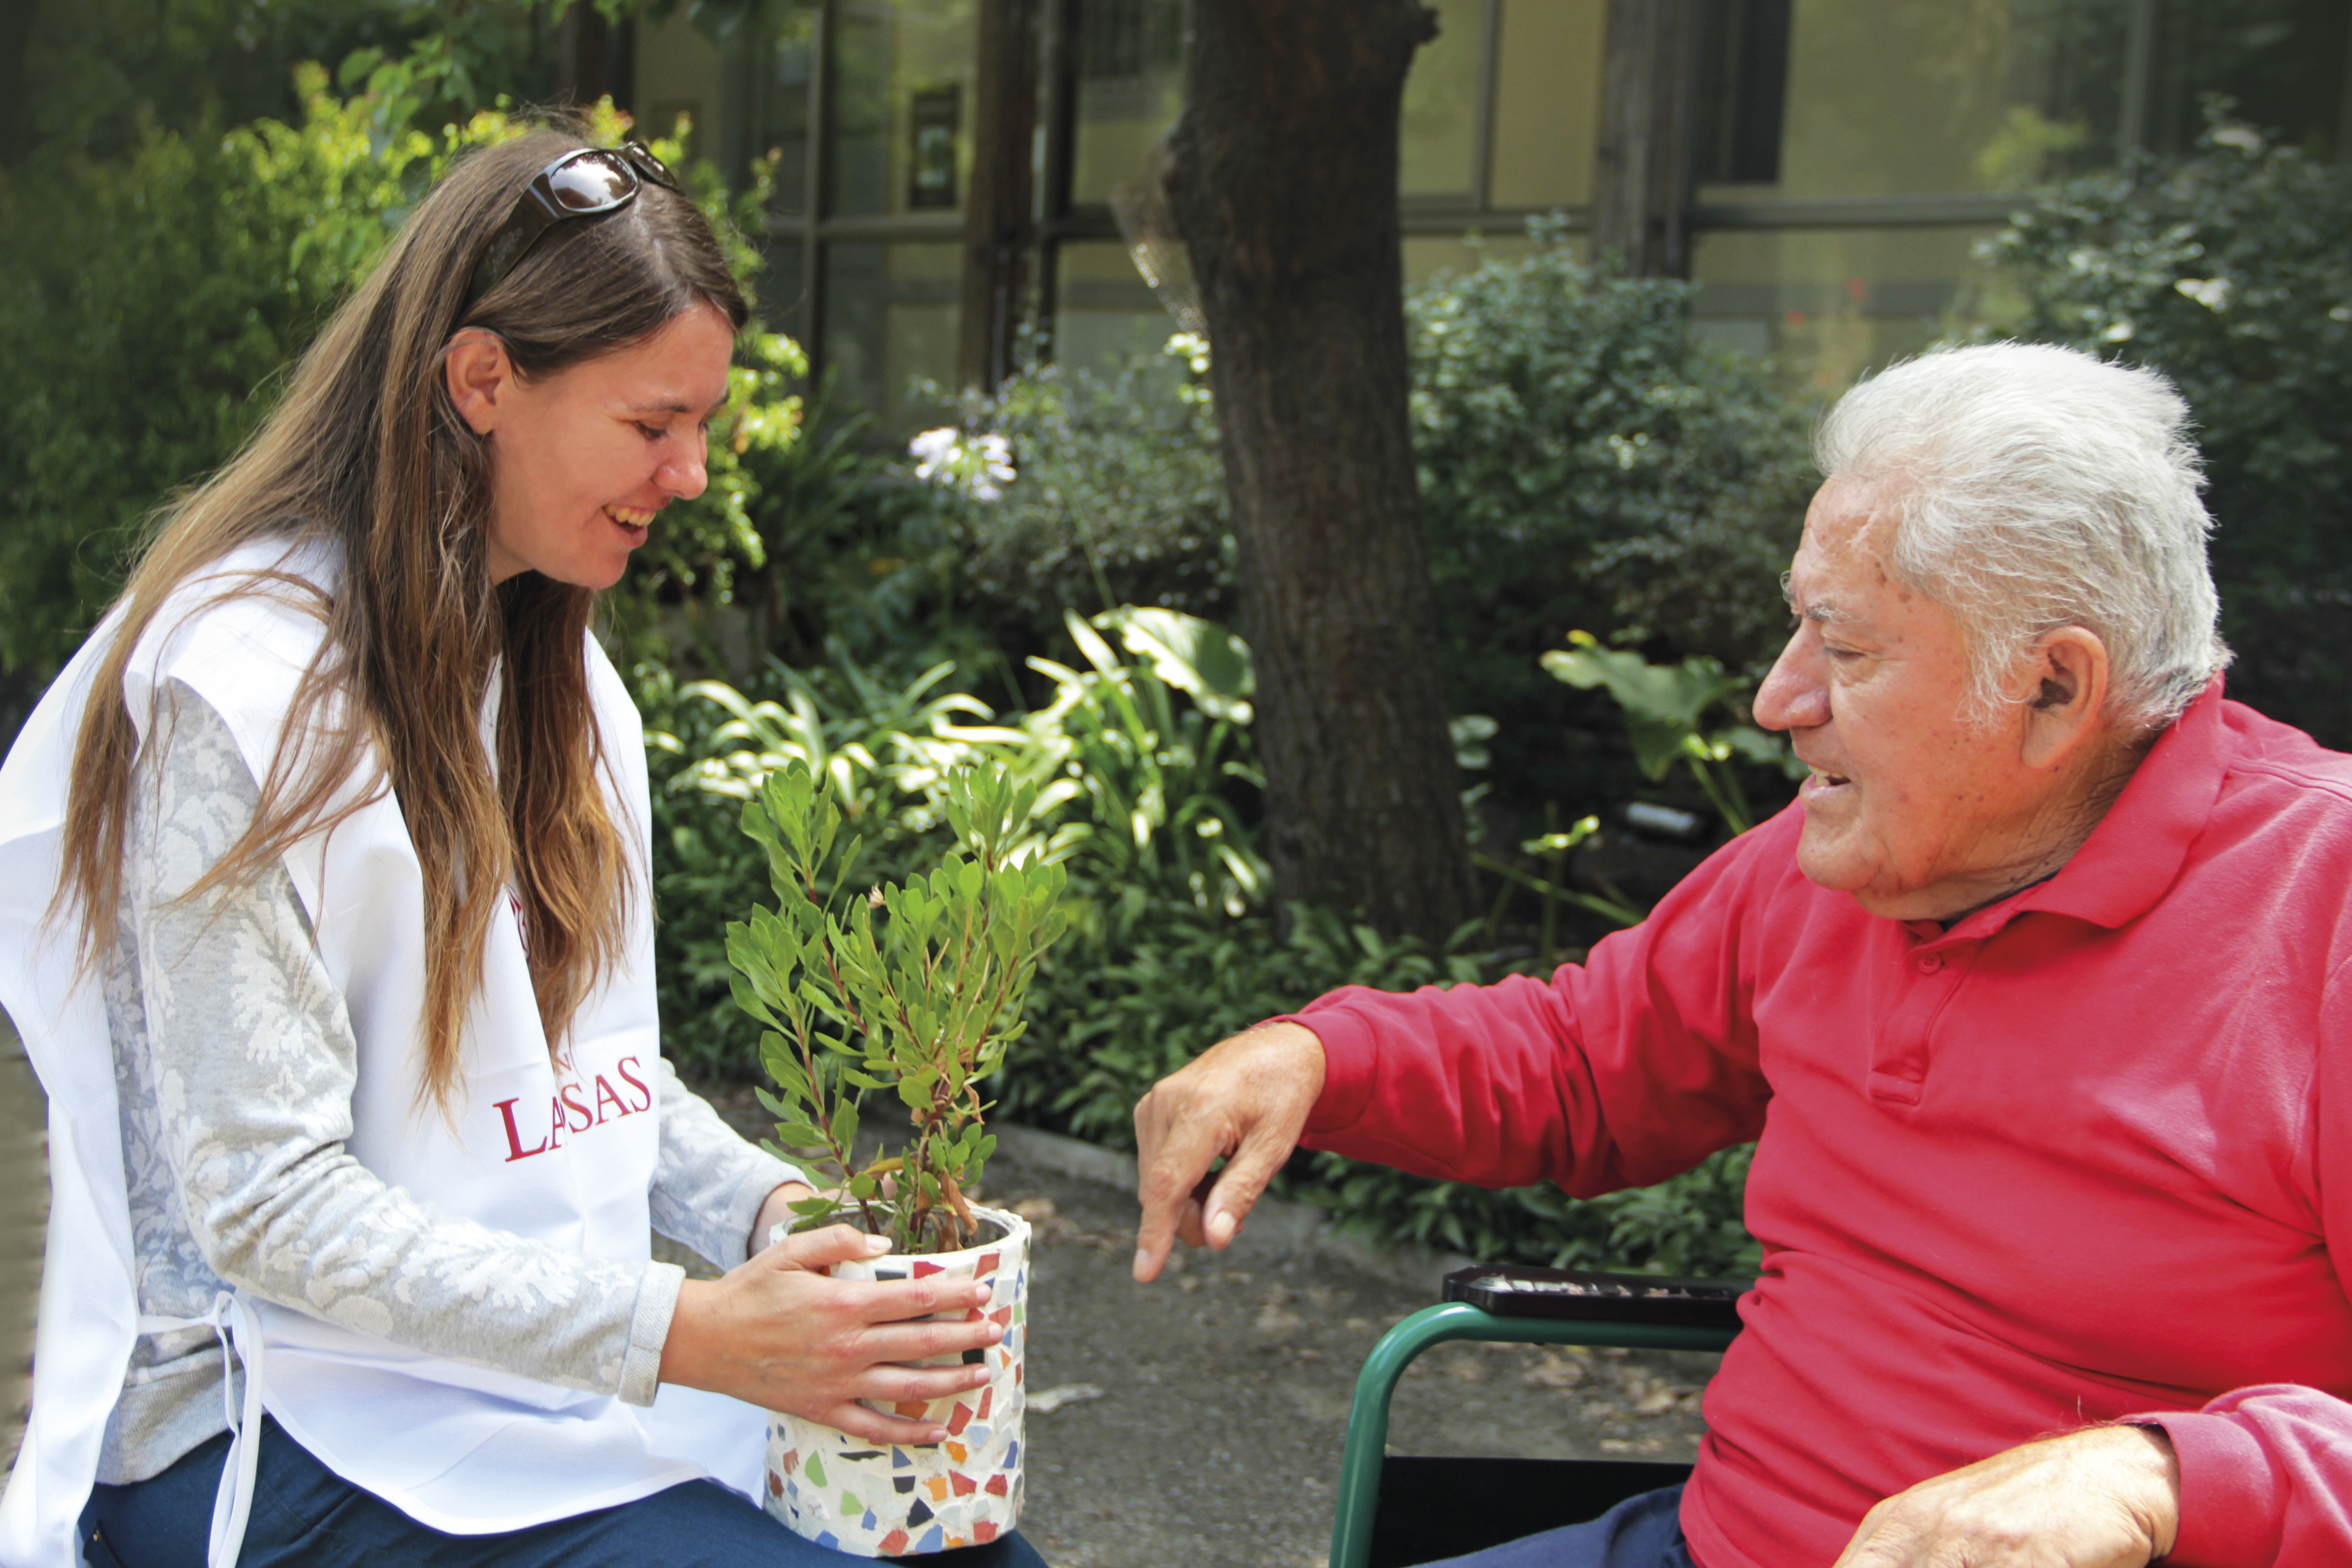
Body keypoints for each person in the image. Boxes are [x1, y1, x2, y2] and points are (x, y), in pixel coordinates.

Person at [0, 129, 1046, 1568]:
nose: (690, 473)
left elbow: (579, 1080)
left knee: (974, 1551)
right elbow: (267, 1206)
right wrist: (691, 1331)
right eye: (651, 423)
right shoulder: (244, 691)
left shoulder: (557, 670)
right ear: (483, 381)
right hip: (262, 1428)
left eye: (702, 424)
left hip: (522, 1391)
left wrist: (778, 1212)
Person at [1131, 342, 2352, 1568]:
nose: (1778, 698)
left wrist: (2159, 1478)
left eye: (1845, 649)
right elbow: (1584, 1063)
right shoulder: (1849, 855)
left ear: (2053, 687)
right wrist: (1321, 1055)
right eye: (1796, 626)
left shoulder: (2323, 905)